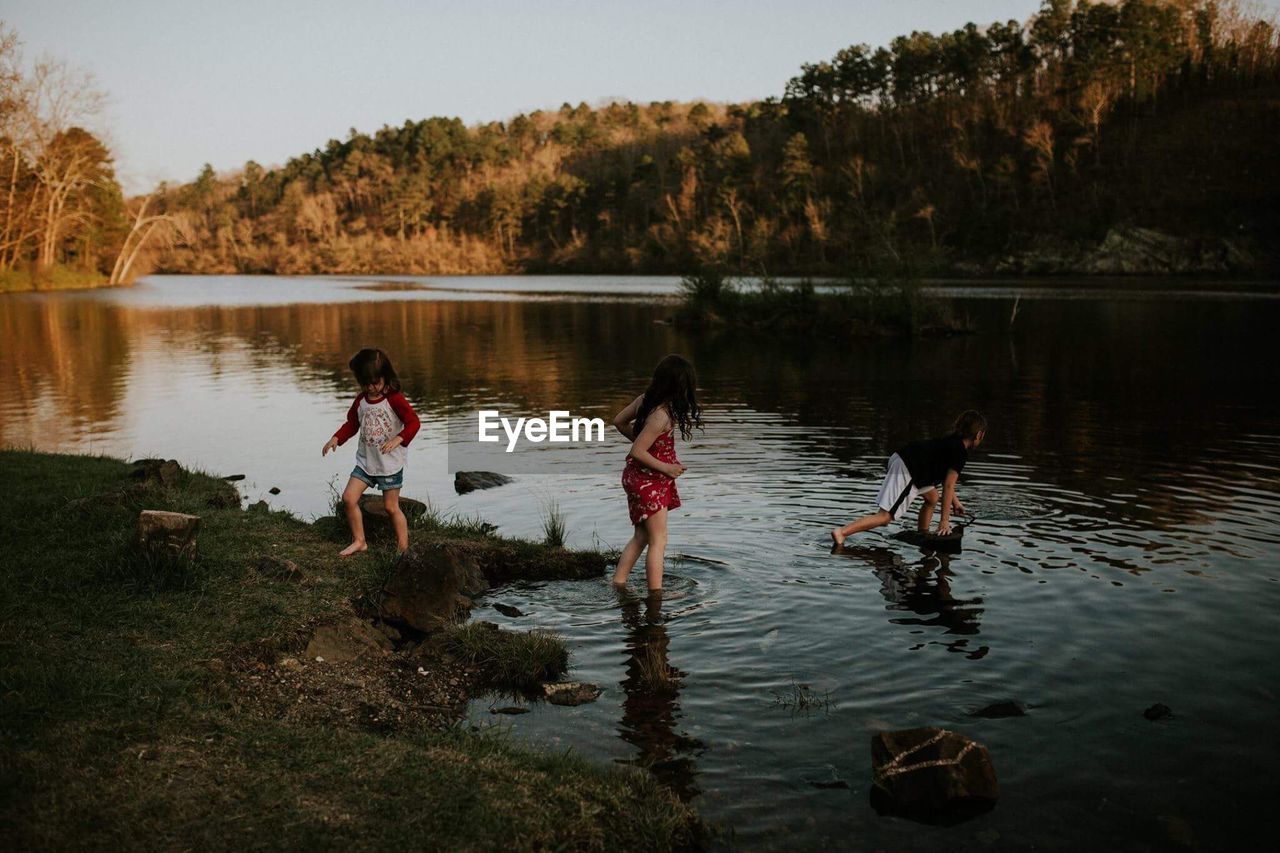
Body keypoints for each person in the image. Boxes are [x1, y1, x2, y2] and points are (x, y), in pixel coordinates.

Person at [611, 354, 703, 592]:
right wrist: (666, 467)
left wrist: (646, 445)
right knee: (658, 540)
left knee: (642, 537)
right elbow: (637, 451)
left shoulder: (645, 400)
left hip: (637, 478)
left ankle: (618, 582)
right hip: (647, 481)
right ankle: (655, 597)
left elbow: (619, 421)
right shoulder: (662, 415)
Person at [831, 410, 986, 547]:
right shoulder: (960, 452)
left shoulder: (952, 442)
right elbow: (949, 486)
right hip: (907, 469)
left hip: (905, 461)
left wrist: (956, 502)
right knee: (885, 517)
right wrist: (944, 521)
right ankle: (842, 532)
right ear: (979, 434)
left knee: (932, 497)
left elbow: (947, 482)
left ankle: (923, 535)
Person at [322, 348, 421, 556]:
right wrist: (337, 438)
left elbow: (414, 422)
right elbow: (352, 423)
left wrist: (399, 438)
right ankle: (360, 541)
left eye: (375, 382)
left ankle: (403, 548)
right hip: (366, 463)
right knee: (349, 498)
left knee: (391, 507)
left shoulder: (394, 399)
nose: (371, 388)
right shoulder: (361, 401)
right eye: (365, 384)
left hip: (390, 464)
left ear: (385, 377)